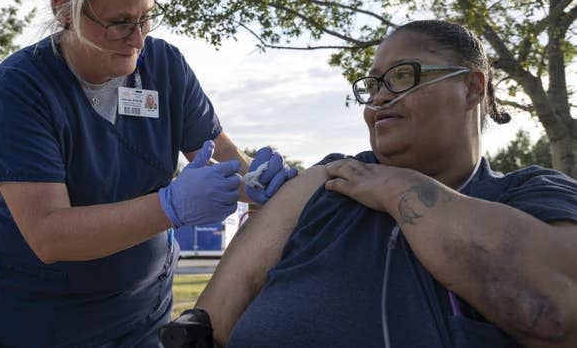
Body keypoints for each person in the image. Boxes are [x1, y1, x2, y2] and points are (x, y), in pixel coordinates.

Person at [0, 0, 296, 348]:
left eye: (146, 18)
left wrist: (256, 181)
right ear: (64, 10)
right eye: (117, 23)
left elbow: (225, 159)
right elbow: (48, 234)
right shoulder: (22, 87)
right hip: (34, 327)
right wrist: (170, 206)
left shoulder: (164, 67)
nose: (137, 39)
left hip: (141, 323)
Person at [160, 20, 577, 348]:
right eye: (373, 84)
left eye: (401, 77)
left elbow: (558, 312)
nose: (378, 99)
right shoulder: (329, 184)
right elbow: (208, 325)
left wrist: (397, 190)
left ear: (472, 87)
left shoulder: (530, 195)